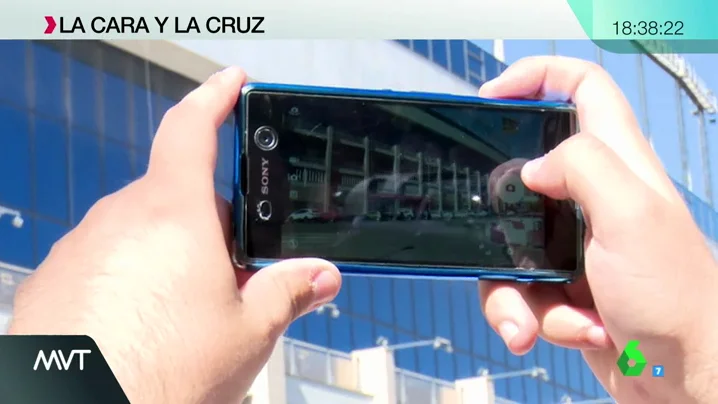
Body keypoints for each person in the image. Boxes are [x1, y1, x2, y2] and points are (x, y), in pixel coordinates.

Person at [7, 57, 718, 404]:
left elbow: (655, 366)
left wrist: (98, 370)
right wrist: (678, 366)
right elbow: (652, 366)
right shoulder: (647, 359)